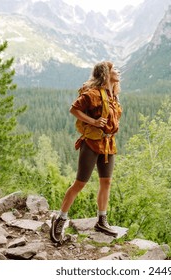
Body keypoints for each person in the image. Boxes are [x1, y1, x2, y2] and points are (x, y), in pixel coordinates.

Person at [50, 61, 122, 243]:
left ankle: (101, 220)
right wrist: (93, 121)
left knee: (106, 182)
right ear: (106, 73)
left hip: (108, 144)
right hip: (91, 143)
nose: (118, 72)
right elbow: (73, 109)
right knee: (79, 183)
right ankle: (60, 219)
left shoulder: (112, 95)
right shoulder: (93, 94)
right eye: (114, 70)